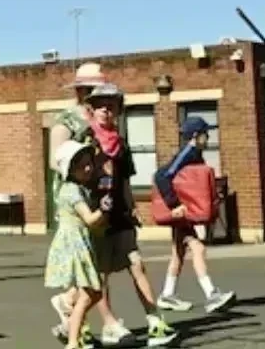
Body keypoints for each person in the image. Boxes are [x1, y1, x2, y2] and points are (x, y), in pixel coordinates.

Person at [64, 84, 177, 347]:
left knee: (136, 264)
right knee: (99, 276)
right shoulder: (85, 140)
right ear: (91, 110)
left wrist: (132, 206)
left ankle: (155, 320)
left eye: (111, 105)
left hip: (120, 214)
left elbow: (124, 179)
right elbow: (75, 179)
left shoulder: (121, 144)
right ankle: (100, 324)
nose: (106, 110)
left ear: (118, 110)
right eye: (100, 105)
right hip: (96, 216)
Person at [154, 118, 235, 314]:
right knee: (198, 249)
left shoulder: (195, 155)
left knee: (178, 254)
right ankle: (211, 294)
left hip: (184, 213)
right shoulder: (187, 154)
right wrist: (175, 204)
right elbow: (162, 176)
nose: (208, 138)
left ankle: (167, 294)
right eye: (205, 134)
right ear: (195, 136)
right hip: (181, 212)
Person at [45, 141, 113, 349]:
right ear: (70, 170)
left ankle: (69, 314)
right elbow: (90, 219)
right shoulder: (71, 191)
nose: (88, 168)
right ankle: (73, 340)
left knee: (92, 293)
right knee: (88, 294)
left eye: (89, 163)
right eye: (82, 165)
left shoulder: (79, 189)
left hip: (81, 241)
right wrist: (104, 209)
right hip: (74, 245)